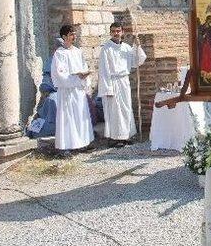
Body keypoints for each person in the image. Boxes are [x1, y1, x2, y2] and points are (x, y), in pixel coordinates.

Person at [97, 23, 147, 147]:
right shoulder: (106, 49)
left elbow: (136, 61)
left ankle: (126, 136)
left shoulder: (126, 47)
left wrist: (137, 47)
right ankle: (115, 138)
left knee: (125, 109)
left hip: (124, 81)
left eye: (118, 31)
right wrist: (107, 88)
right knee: (114, 110)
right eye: (113, 31)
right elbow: (103, 70)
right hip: (112, 82)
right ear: (110, 33)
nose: (116, 33)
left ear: (122, 32)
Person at [51, 25, 94, 157]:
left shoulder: (77, 51)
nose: (74, 36)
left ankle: (81, 143)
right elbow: (59, 74)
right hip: (67, 91)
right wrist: (75, 77)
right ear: (64, 37)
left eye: (74, 34)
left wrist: (85, 75)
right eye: (71, 34)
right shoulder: (59, 54)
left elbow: (83, 66)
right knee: (68, 118)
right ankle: (66, 147)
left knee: (81, 117)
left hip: (78, 90)